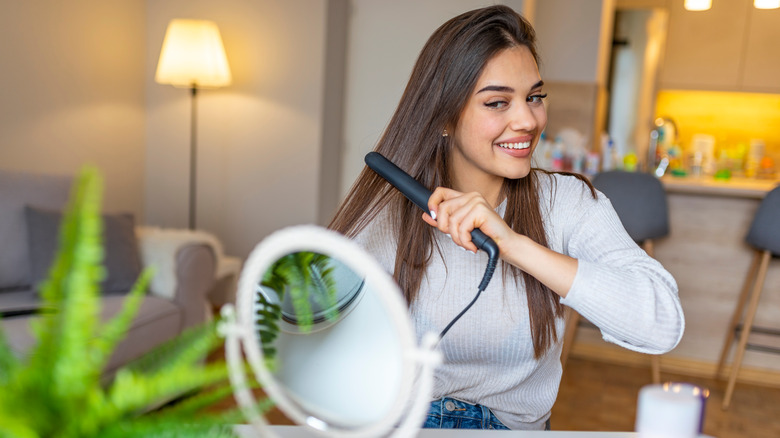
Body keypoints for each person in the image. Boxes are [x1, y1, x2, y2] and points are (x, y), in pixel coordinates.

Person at [328, 5, 684, 431]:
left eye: (534, 97)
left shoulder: (567, 203)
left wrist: (515, 245)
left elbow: (662, 324)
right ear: (443, 115)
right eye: (498, 102)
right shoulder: (391, 211)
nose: (528, 120)